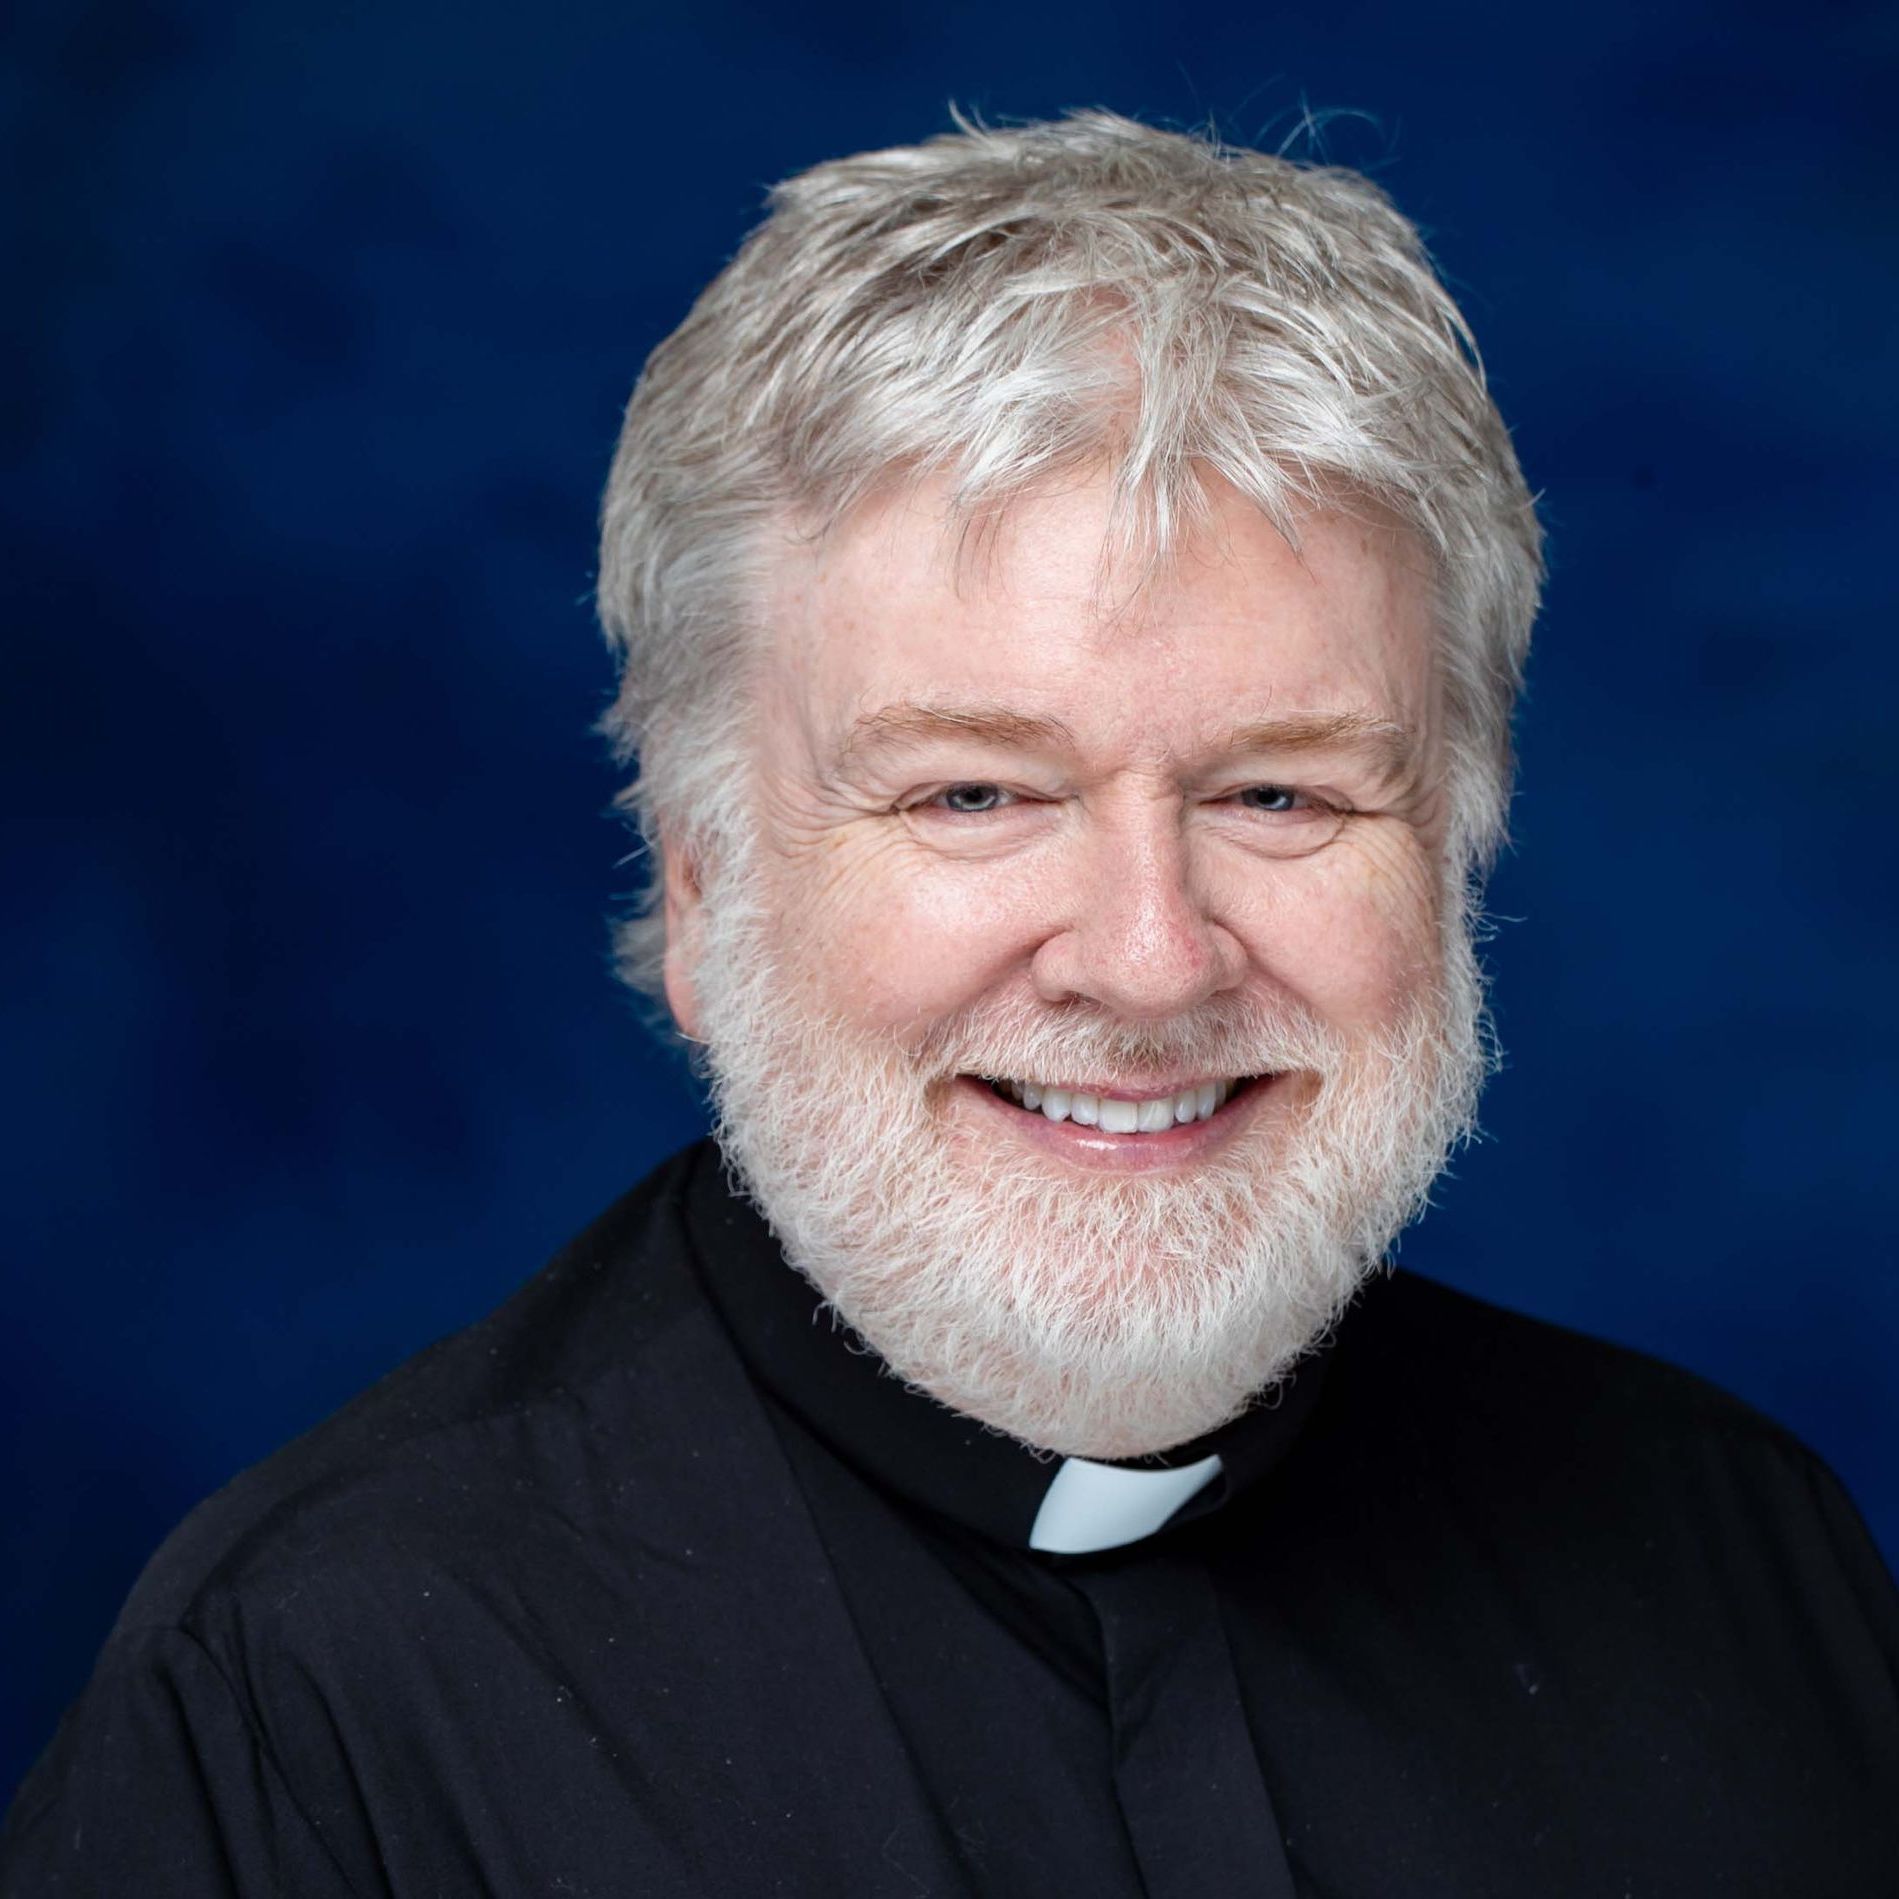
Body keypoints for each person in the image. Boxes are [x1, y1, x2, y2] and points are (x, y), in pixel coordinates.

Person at [5, 109, 1896, 1898]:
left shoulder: (1746, 1565)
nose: (1150, 959)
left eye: (1279, 794)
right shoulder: (304, 1712)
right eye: (974, 794)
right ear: (700, 881)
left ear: (1461, 845)